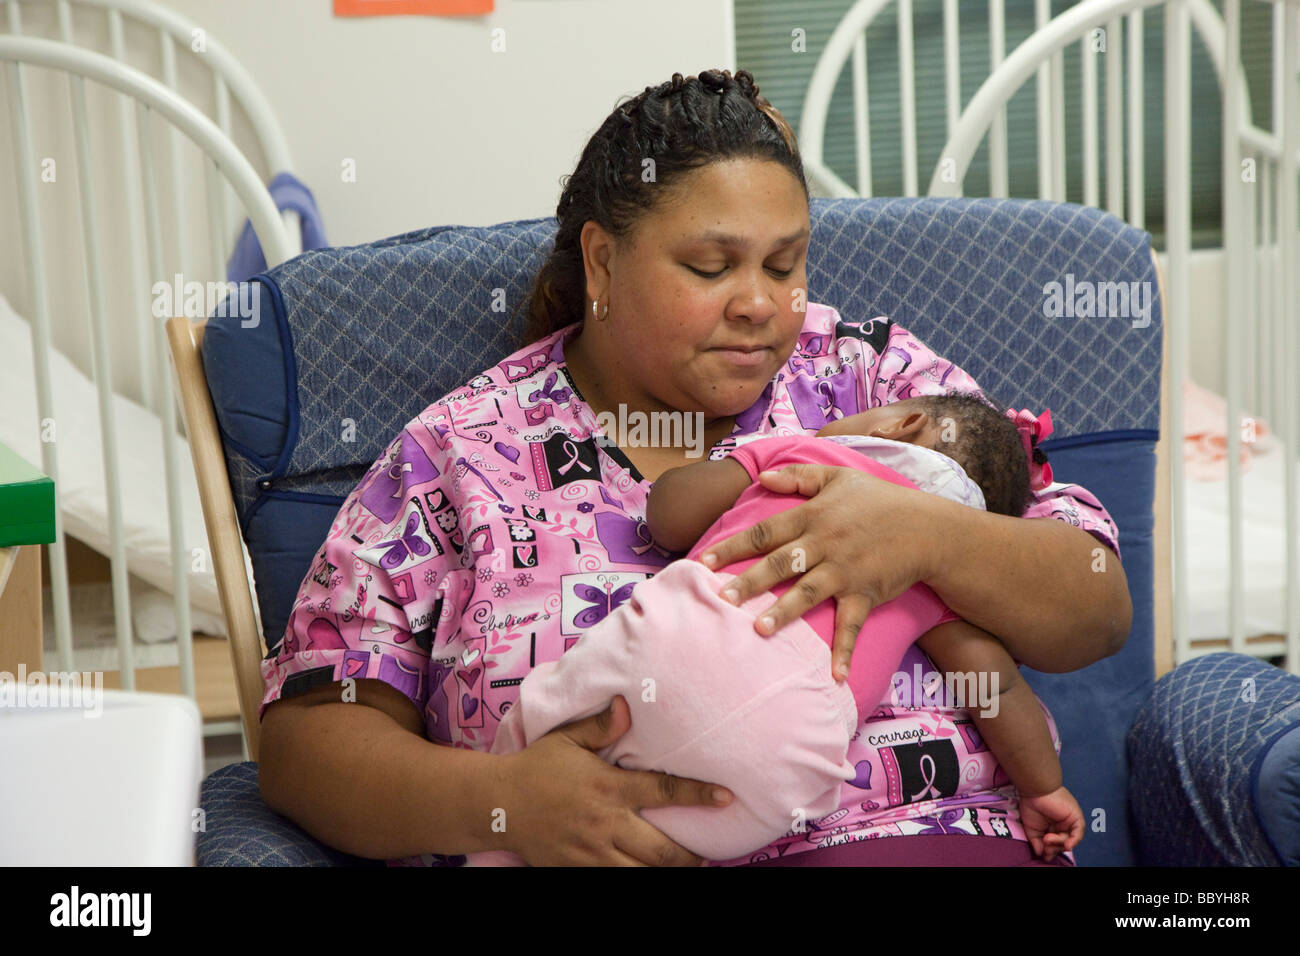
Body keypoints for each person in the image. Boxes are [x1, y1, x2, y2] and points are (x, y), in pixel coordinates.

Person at [256, 68, 1131, 867]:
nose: (759, 304)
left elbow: (1092, 604)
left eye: (784, 265)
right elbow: (304, 748)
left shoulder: (873, 381)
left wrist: (923, 535)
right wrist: (500, 803)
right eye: (711, 267)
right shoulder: (462, 455)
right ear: (602, 260)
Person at [463, 394, 1085, 866]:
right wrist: (1044, 788)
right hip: (782, 763)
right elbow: (996, 690)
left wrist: (742, 465)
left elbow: (670, 514)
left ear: (900, 426)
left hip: (677, 646)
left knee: (535, 739)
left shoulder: (810, 454)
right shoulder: (944, 572)